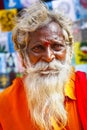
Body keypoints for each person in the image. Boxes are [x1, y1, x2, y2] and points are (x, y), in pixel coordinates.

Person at [0, 1, 87, 130]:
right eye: (37, 48)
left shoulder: (84, 87)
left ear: (69, 53)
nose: (48, 57)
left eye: (57, 47)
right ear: (24, 58)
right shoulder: (5, 104)